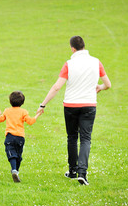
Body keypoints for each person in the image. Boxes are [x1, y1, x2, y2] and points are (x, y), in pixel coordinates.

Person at [37, 36, 111, 185]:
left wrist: (43, 104)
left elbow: (57, 87)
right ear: (84, 46)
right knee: (85, 139)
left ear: (72, 48)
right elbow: (108, 84)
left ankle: (72, 171)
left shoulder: (69, 64)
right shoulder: (96, 62)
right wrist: (100, 87)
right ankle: (82, 173)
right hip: (89, 105)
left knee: (72, 138)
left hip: (71, 105)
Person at [0, 91, 42, 182]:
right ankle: (16, 171)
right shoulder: (23, 111)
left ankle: (14, 170)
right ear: (22, 102)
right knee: (18, 155)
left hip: (10, 136)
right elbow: (30, 122)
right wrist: (38, 115)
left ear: (10, 101)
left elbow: (0, 119)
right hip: (20, 138)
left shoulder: (7, 110)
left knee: (12, 154)